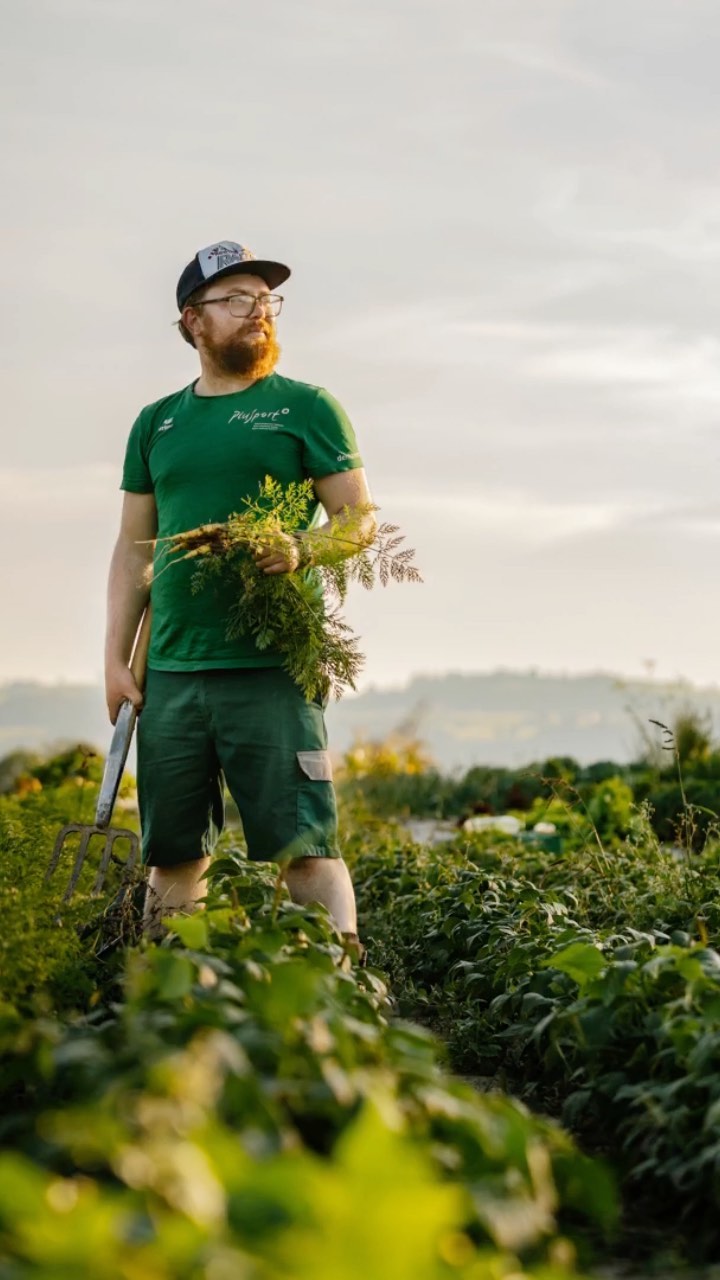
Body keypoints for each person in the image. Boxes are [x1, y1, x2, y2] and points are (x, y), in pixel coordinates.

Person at [104, 239, 374, 958]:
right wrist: (114, 660)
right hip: (173, 676)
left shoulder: (306, 408)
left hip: (272, 668)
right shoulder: (156, 422)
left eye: (266, 300)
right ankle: (176, 994)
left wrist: (301, 548)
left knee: (305, 848)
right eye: (236, 300)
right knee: (173, 858)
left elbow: (358, 522)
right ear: (192, 321)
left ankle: (345, 994)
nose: (258, 312)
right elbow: (135, 552)